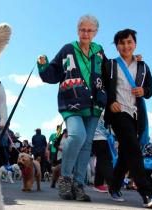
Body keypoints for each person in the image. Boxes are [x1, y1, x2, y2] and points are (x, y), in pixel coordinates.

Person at [37, 15, 107, 201]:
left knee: (86, 145)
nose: (86, 33)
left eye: (89, 30)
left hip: (94, 104)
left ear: (95, 33)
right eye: (82, 29)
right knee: (77, 135)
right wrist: (43, 65)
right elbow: (52, 74)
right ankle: (65, 178)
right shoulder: (68, 49)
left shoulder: (99, 52)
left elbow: (108, 75)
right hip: (71, 101)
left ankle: (78, 185)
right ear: (78, 30)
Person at [103, 28, 152, 208]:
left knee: (126, 152)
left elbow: (150, 90)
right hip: (118, 112)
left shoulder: (143, 66)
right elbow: (102, 88)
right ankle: (148, 193)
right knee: (133, 148)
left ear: (135, 44)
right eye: (122, 43)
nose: (126, 46)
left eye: (129, 42)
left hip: (137, 115)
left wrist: (144, 91)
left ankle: (114, 186)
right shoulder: (110, 65)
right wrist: (110, 102)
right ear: (117, 46)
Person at [92, 112, 113, 193]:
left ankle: (98, 184)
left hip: (100, 136)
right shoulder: (101, 106)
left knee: (101, 160)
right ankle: (112, 185)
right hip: (97, 137)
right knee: (106, 160)